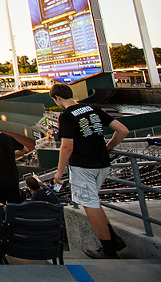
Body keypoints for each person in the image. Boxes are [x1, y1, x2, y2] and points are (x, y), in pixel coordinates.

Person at [51, 83, 129, 259]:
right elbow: (123, 130)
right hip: (102, 163)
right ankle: (113, 239)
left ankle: (108, 249)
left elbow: (67, 147)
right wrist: (107, 148)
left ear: (57, 98)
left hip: (83, 166)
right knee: (94, 201)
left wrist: (59, 172)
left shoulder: (67, 115)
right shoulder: (92, 108)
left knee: (90, 205)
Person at [0, 117, 30, 204]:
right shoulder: (8, 137)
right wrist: (10, 153)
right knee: (14, 206)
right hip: (13, 179)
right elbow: (25, 150)